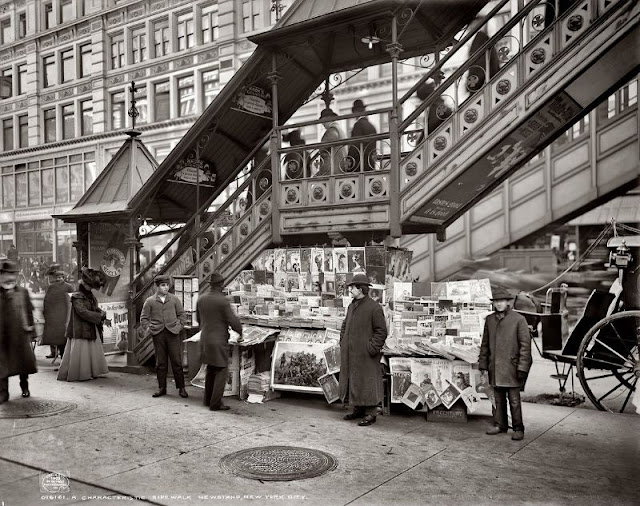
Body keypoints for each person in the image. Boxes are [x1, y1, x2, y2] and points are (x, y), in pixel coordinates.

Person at [478, 287, 532, 441]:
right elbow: (485, 344)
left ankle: (518, 428)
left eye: (502, 301)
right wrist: (483, 364)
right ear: (493, 303)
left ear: (508, 302)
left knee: (514, 400)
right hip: (495, 366)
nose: (499, 304)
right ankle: (500, 425)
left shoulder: (519, 319)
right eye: (496, 301)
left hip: (512, 368)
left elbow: (525, 346)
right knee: (498, 398)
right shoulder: (489, 320)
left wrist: (522, 367)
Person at [339, 273, 388, 426]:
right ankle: (358, 409)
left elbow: (381, 332)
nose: (350, 289)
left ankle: (371, 413)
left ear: (360, 289)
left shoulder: (374, 308)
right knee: (355, 381)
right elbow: (345, 324)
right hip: (351, 353)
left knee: (367, 383)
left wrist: (371, 348)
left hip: (366, 355)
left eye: (352, 287)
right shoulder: (352, 305)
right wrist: (343, 341)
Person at [196, 272, 243, 411]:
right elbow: (232, 320)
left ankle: (207, 399)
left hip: (205, 338)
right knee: (221, 370)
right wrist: (240, 332)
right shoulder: (222, 300)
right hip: (219, 340)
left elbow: (199, 320)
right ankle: (215, 403)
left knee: (210, 369)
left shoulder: (201, 299)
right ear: (221, 285)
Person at [141, 274, 190, 398]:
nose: (166, 288)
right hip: (158, 334)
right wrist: (149, 328)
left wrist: (178, 327)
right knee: (161, 363)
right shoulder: (150, 301)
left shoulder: (174, 299)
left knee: (176, 361)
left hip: (173, 333)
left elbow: (182, 315)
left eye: (167, 285)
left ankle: (181, 388)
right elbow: (144, 318)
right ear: (157, 287)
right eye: (163, 285)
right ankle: (162, 388)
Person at [57, 267, 110, 382]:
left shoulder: (88, 295)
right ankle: (82, 374)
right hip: (79, 329)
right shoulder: (77, 296)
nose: (91, 288)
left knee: (88, 351)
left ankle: (90, 372)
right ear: (84, 284)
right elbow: (82, 312)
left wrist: (99, 311)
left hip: (88, 327)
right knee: (82, 351)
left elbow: (92, 307)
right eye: (90, 286)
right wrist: (98, 316)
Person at [0, 259, 37, 402]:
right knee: (2, 364)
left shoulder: (22, 292)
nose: (9, 277)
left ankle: (24, 386)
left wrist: (32, 332)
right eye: (5, 274)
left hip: (18, 334)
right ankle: (3, 393)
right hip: (2, 336)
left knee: (22, 363)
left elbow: (28, 312)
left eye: (12, 274)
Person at [41, 270, 74, 360]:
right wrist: (46, 312)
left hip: (64, 316)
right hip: (54, 316)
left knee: (64, 339)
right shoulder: (51, 287)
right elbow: (47, 300)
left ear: (64, 277)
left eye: (61, 277)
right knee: (57, 338)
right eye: (57, 277)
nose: (59, 279)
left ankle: (65, 359)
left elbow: (72, 301)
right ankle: (57, 355)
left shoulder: (69, 287)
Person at [348, 99, 377, 172]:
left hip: (359, 165)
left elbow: (354, 146)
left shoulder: (358, 125)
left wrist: (349, 162)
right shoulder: (371, 126)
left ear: (355, 112)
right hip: (370, 164)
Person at [316, 108, 347, 176]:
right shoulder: (339, 129)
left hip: (333, 169)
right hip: (340, 167)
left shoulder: (332, 130)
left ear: (327, 118)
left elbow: (323, 147)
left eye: (323, 121)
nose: (322, 124)